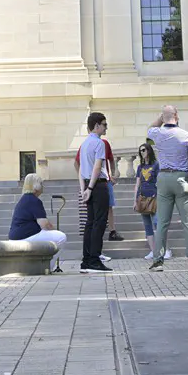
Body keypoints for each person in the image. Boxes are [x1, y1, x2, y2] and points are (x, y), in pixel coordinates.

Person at [146, 105, 188, 271]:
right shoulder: (186, 136)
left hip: (163, 178)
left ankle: (158, 261)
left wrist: (161, 117)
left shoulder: (157, 134)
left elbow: (150, 129)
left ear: (164, 118)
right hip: (182, 178)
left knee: (163, 222)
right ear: (177, 116)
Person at [76, 112, 113, 273]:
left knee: (90, 223)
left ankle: (86, 260)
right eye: (104, 124)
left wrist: (84, 188)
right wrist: (90, 188)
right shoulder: (99, 143)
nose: (106, 127)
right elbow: (97, 167)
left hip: (88, 185)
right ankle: (94, 260)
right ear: (97, 126)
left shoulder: (84, 144)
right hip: (97, 186)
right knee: (99, 223)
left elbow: (79, 168)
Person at [9, 172, 66, 273]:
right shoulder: (34, 200)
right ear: (36, 186)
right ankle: (47, 266)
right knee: (61, 237)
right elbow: (44, 225)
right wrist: (53, 229)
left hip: (18, 237)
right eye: (41, 184)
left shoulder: (25, 199)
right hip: (25, 237)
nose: (43, 187)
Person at [132, 140, 161, 261]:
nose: (142, 152)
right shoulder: (140, 167)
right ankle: (153, 251)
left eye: (143, 150)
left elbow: (160, 181)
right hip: (142, 198)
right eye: (140, 151)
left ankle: (164, 249)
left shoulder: (156, 165)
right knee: (147, 226)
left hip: (154, 196)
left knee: (157, 224)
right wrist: (134, 200)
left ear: (149, 150)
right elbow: (137, 184)